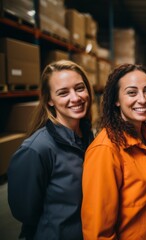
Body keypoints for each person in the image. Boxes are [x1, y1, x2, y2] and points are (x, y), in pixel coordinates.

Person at [7, 60, 94, 240]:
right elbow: (25, 212)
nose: (76, 98)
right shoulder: (37, 149)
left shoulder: (89, 138)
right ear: (49, 101)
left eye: (79, 88)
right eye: (63, 93)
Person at [81, 63, 146, 240]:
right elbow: (98, 228)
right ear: (116, 100)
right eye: (132, 92)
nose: (142, 99)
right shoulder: (106, 149)